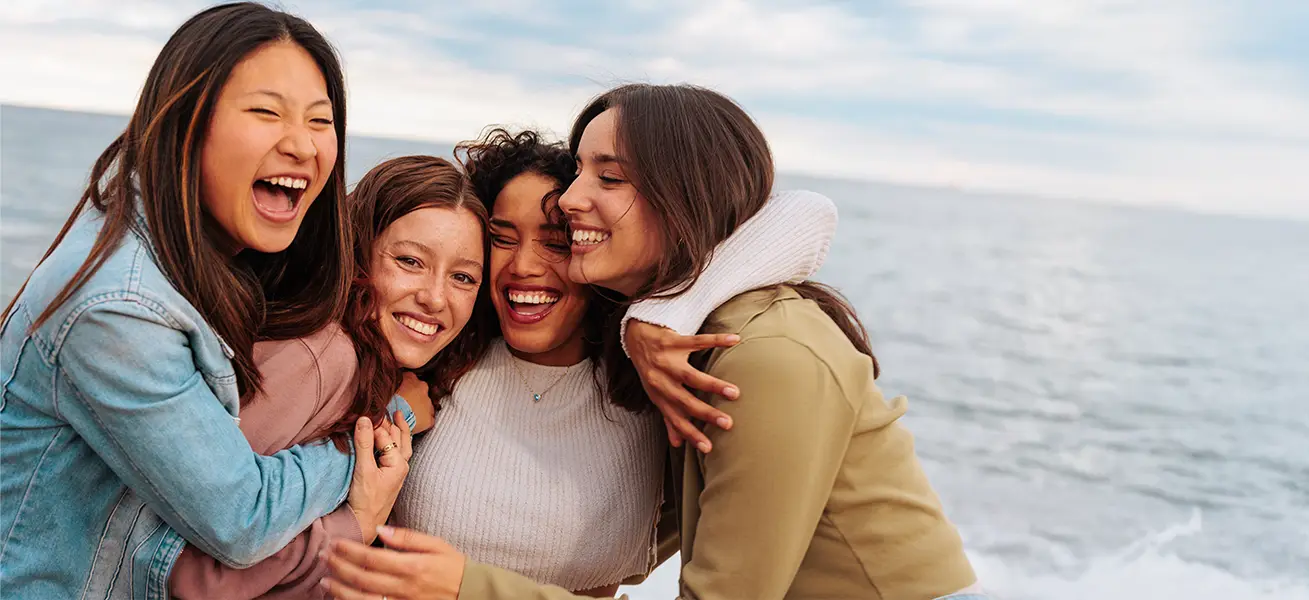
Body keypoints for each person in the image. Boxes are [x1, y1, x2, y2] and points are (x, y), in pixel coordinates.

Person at [326, 84, 983, 600]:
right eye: (502, 237)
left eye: (607, 179)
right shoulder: (453, 353)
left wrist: (467, 586)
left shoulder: (746, 354)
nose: (576, 199)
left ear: (680, 194)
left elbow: (807, 213)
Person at [0, 3, 402, 598]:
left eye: (320, 122)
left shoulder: (198, 257)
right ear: (187, 123)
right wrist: (368, 446)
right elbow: (240, 516)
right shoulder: (119, 306)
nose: (301, 144)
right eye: (266, 112)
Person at [355, 129, 834, 597]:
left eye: (556, 241)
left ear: (593, 245)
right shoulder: (435, 359)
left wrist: (658, 315)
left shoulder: (650, 379)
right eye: (503, 237)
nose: (524, 265)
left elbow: (810, 213)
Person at [168, 155, 490, 598]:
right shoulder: (322, 357)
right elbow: (184, 567)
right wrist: (355, 525)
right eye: (410, 261)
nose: (435, 297)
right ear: (359, 252)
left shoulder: (379, 371)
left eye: (462, 277)